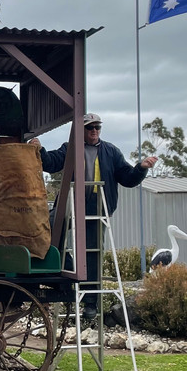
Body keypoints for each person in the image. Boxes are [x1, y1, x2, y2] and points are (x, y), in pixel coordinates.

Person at [33, 112, 157, 318]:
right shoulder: (70, 148)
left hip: (98, 208)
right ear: (81, 131)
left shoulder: (111, 151)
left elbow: (127, 178)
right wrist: (40, 149)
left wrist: (141, 168)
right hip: (71, 203)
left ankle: (90, 303)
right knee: (50, 232)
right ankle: (67, 275)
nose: (94, 131)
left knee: (92, 253)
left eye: (97, 127)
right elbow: (51, 163)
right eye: (90, 128)